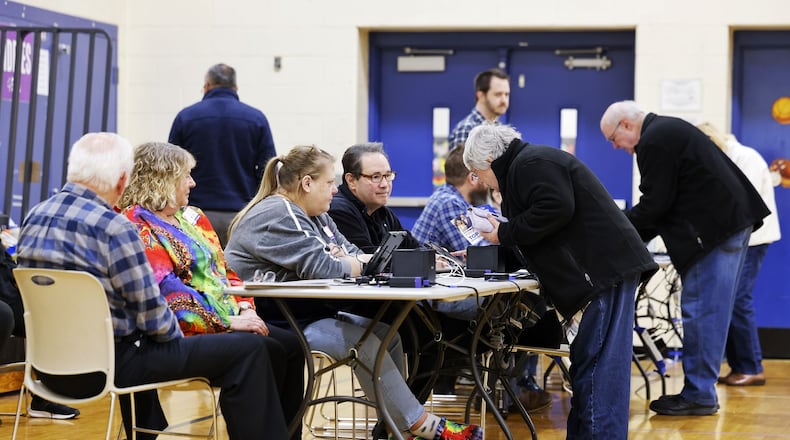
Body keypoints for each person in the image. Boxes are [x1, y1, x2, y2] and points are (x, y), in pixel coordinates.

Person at [16, 132, 289, 440]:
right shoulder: (115, 228)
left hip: (50, 370)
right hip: (113, 363)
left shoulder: (34, 217)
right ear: (122, 180)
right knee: (250, 348)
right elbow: (156, 321)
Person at [225, 145, 483, 440]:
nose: (334, 191)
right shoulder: (280, 211)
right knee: (364, 343)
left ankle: (394, 426)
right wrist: (345, 261)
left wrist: (345, 260)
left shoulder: (317, 215)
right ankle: (420, 426)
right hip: (274, 321)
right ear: (307, 184)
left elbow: (357, 256)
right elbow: (325, 266)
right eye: (328, 183)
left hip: (303, 311)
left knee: (390, 335)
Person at [463, 123, 658, 439]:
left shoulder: (529, 163)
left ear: (488, 158)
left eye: (476, 173)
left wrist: (504, 232)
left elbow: (555, 207)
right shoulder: (531, 163)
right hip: (603, 271)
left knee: (597, 371)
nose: (480, 181)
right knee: (592, 369)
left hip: (599, 273)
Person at [117, 141, 304, 438]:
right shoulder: (136, 225)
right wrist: (227, 321)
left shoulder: (194, 217)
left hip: (227, 314)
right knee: (264, 348)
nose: (193, 182)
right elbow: (169, 293)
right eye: (186, 175)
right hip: (184, 327)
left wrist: (244, 305)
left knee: (292, 346)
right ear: (162, 178)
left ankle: (285, 433)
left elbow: (226, 270)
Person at [599, 101, 769, 417]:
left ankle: (700, 395)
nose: (615, 147)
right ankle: (700, 391)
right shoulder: (665, 129)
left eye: (612, 138)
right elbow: (662, 202)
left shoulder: (653, 139)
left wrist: (617, 231)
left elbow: (655, 204)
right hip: (728, 225)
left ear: (625, 125)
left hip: (717, 231)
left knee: (702, 312)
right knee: (708, 312)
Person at [696, 123, 781, 387]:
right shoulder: (734, 157)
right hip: (740, 240)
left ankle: (751, 367)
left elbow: (742, 203)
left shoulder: (745, 158)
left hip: (753, 240)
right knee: (731, 300)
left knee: (738, 300)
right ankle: (740, 365)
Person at [169, 63, 276, 246]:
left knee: (198, 269)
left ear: (207, 86)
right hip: (241, 213)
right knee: (234, 271)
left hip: (193, 213)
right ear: (235, 88)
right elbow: (268, 170)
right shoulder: (256, 119)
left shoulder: (186, 117)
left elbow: (170, 167)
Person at [0, 241, 81, 420]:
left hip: (7, 291)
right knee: (3, 315)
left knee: (51, 313)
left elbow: (5, 261)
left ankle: (43, 399)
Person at [328, 142, 420, 253]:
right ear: (351, 180)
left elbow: (413, 247)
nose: (385, 184)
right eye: (375, 177)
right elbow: (365, 259)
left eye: (388, 175)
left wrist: (433, 258)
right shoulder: (339, 211)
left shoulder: (383, 212)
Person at [412, 145, 491, 252]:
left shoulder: (446, 196)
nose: (488, 183)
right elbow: (478, 253)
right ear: (473, 178)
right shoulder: (449, 204)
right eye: (484, 175)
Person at [447, 68, 510, 148]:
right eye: (498, 94)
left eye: (506, 94)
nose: (504, 100)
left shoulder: (501, 130)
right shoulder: (466, 130)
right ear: (481, 95)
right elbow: (460, 160)